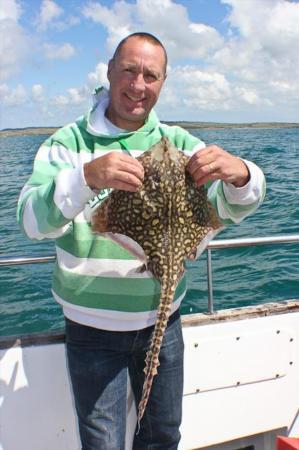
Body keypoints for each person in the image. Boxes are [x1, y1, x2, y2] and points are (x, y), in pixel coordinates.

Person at [17, 32, 266, 450]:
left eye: (150, 75)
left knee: (164, 435)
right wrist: (86, 177)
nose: (138, 84)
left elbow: (228, 207)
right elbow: (30, 222)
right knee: (103, 443)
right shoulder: (66, 143)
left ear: (163, 82)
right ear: (110, 71)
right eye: (129, 70)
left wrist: (241, 173)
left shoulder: (182, 144)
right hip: (91, 327)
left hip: (163, 323)